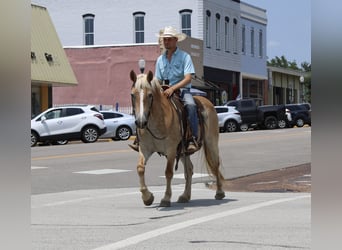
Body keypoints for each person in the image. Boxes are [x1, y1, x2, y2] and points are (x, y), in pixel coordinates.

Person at [129, 26, 199, 153]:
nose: (166, 42)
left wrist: (173, 88)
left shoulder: (185, 57)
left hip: (182, 90)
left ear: (176, 40)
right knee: (148, 104)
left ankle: (191, 138)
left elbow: (188, 78)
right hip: (164, 90)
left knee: (191, 105)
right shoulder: (160, 59)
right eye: (164, 40)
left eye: (169, 40)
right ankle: (140, 138)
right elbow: (158, 80)